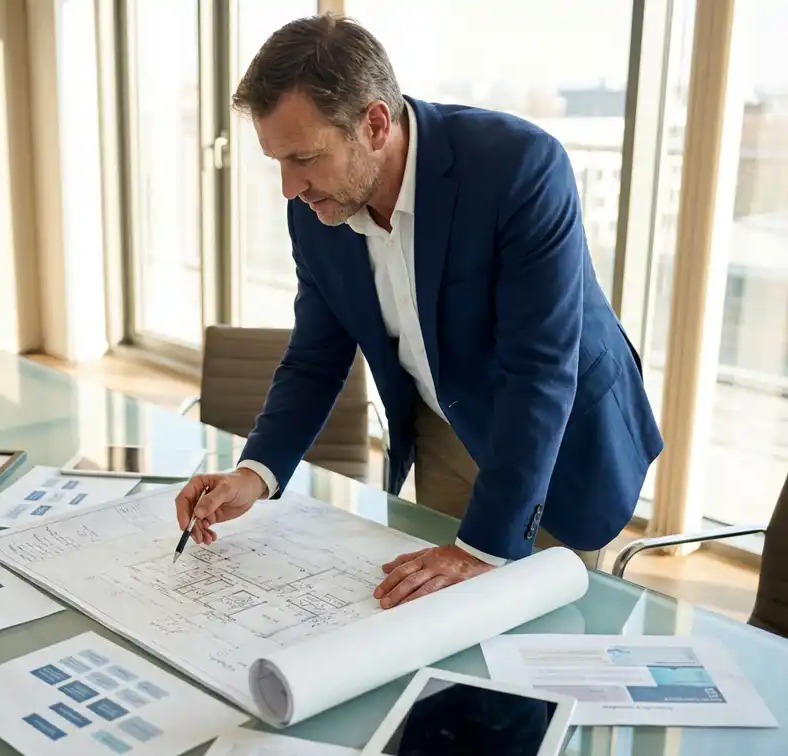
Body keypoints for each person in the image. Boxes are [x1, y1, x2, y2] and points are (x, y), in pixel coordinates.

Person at [175, 13, 663, 608]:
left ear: (375, 124)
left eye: (303, 157)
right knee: (439, 613)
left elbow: (539, 371)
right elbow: (314, 358)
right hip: (442, 425)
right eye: (277, 161)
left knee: (540, 637)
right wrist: (255, 473)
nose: (288, 187)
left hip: (553, 437)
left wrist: (483, 547)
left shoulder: (519, 167)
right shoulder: (317, 205)